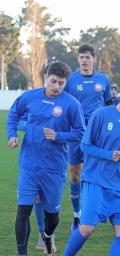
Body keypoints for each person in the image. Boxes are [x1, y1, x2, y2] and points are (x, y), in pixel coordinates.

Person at [7, 61, 85, 256]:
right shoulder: (29, 97)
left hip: (54, 170)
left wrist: (58, 136)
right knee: (23, 212)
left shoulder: (72, 104)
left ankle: (48, 236)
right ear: (45, 78)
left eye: (61, 83)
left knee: (53, 218)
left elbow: (80, 133)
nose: (57, 87)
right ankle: (22, 254)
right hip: (29, 167)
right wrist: (12, 134)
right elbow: (13, 114)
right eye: (53, 82)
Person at [64, 44, 112, 230]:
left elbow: (109, 105)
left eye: (87, 57)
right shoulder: (71, 80)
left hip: (99, 134)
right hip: (77, 132)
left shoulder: (103, 80)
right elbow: (65, 103)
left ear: (93, 59)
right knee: (75, 175)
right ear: (78, 59)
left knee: (100, 173)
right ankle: (77, 216)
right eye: (81, 57)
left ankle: (106, 212)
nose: (84, 60)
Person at [63, 102, 120, 256]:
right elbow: (85, 146)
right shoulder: (101, 114)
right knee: (87, 229)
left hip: (118, 185)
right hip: (96, 181)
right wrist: (109, 154)